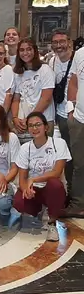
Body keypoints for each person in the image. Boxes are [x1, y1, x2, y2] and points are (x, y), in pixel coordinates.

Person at [13, 112, 72, 241]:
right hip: (35, 189)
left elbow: (57, 172)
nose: (34, 128)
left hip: (53, 189)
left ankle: (52, 222)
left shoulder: (59, 143)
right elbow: (22, 179)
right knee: (18, 201)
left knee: (54, 184)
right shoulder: (25, 148)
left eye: (38, 124)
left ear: (46, 127)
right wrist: (25, 190)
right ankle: (39, 211)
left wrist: (33, 179)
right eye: (31, 126)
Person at [11, 38, 55, 143]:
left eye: (29, 49)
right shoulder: (18, 73)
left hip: (43, 119)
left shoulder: (45, 70)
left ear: (35, 51)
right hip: (23, 121)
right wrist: (15, 118)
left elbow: (46, 98)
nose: (25, 53)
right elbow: (16, 98)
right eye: (22, 50)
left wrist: (30, 119)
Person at [66, 43, 84, 217]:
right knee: (79, 165)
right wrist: (70, 110)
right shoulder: (80, 53)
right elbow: (73, 82)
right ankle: (78, 204)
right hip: (80, 118)